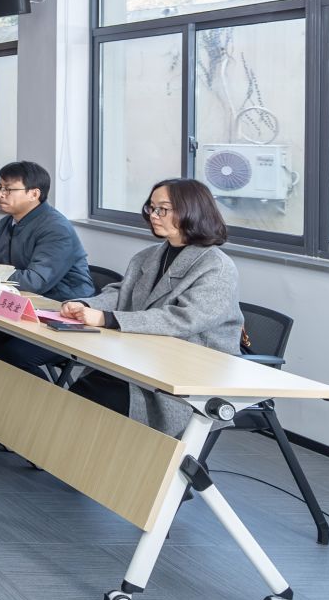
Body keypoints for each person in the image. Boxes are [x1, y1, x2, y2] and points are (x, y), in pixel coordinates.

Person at [61, 178, 243, 434]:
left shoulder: (216, 266)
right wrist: (83, 305)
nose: (153, 216)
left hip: (189, 370)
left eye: (163, 209)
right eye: (151, 208)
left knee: (95, 397)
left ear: (191, 211)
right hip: (141, 358)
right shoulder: (149, 255)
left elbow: (184, 319)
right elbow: (122, 293)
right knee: (84, 393)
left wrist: (108, 319)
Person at [0, 160, 93, 301]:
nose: (0, 194)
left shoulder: (57, 229)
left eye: (8, 189)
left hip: (63, 305)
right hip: (21, 297)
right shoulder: (7, 222)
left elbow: (34, 282)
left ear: (34, 194)